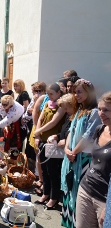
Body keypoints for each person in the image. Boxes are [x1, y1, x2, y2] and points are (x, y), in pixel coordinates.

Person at [61, 79, 102, 228]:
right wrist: (67, 149)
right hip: (72, 155)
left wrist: (73, 152)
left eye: (79, 92)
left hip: (83, 159)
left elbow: (88, 136)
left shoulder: (95, 112)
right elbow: (70, 132)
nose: (76, 95)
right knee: (70, 188)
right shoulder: (79, 111)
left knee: (79, 193)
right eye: (75, 92)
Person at [75, 92, 111, 228]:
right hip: (86, 188)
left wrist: (108, 208)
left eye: (106, 110)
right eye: (100, 109)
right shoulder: (99, 129)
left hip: (105, 198)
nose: (101, 113)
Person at [33, 83, 66, 208]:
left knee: (52, 171)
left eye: (51, 94)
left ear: (58, 93)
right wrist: (37, 135)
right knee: (44, 169)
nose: (49, 96)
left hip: (53, 143)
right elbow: (40, 119)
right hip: (42, 140)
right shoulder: (47, 104)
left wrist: (37, 131)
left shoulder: (61, 106)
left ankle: (54, 198)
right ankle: (45, 193)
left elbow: (54, 122)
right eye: (48, 94)